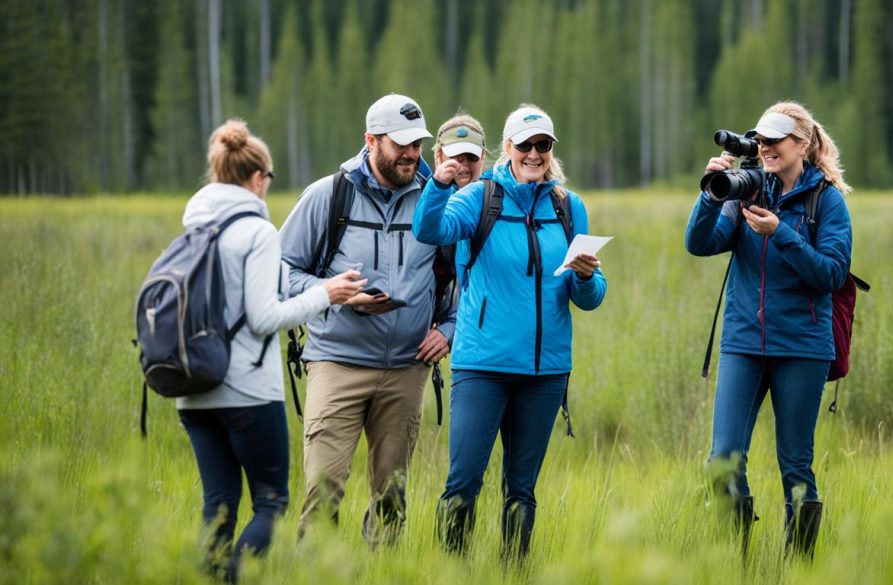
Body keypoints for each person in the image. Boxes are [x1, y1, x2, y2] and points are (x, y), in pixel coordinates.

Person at [413, 104, 608, 561]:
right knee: (462, 484)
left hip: (545, 373)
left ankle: (513, 571)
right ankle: (451, 572)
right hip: (483, 367)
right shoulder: (478, 198)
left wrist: (585, 275)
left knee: (521, 492)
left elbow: (591, 296)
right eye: (525, 145)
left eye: (543, 145)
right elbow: (428, 229)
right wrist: (440, 182)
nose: (535, 154)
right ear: (508, 149)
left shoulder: (568, 206)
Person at [178, 119, 366, 582]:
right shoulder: (257, 233)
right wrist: (327, 295)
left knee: (218, 505)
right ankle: (234, 578)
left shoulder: (194, 223)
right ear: (258, 178)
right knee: (270, 503)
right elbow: (264, 317)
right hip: (246, 391)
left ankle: (212, 577)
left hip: (192, 389)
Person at [278, 94, 456, 547]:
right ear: (370, 141)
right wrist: (330, 293)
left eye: (417, 143)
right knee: (324, 490)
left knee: (392, 499)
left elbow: (459, 277)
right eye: (400, 144)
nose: (411, 153)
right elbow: (279, 271)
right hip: (336, 363)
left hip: (407, 369)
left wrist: (448, 330)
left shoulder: (437, 199)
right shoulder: (327, 195)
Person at [684, 101, 853, 559]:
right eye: (760, 141)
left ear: (802, 144)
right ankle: (735, 561)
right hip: (743, 343)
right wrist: (710, 195)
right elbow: (700, 244)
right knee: (723, 459)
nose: (766, 148)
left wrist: (781, 232)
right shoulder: (746, 191)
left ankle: (798, 566)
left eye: (776, 140)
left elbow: (833, 274)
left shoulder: (827, 200)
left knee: (795, 464)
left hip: (802, 347)